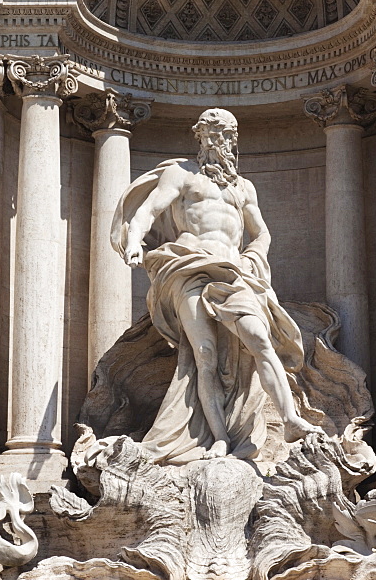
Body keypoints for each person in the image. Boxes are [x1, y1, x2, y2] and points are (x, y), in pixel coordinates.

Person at [111, 107, 321, 464]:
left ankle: (290, 420)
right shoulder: (182, 175)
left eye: (223, 136)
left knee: (259, 339)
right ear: (200, 139)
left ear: (233, 140)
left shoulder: (243, 188)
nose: (217, 142)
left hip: (234, 271)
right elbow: (149, 209)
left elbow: (262, 232)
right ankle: (219, 438)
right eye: (210, 135)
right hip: (189, 266)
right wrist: (134, 241)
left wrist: (254, 258)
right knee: (204, 355)